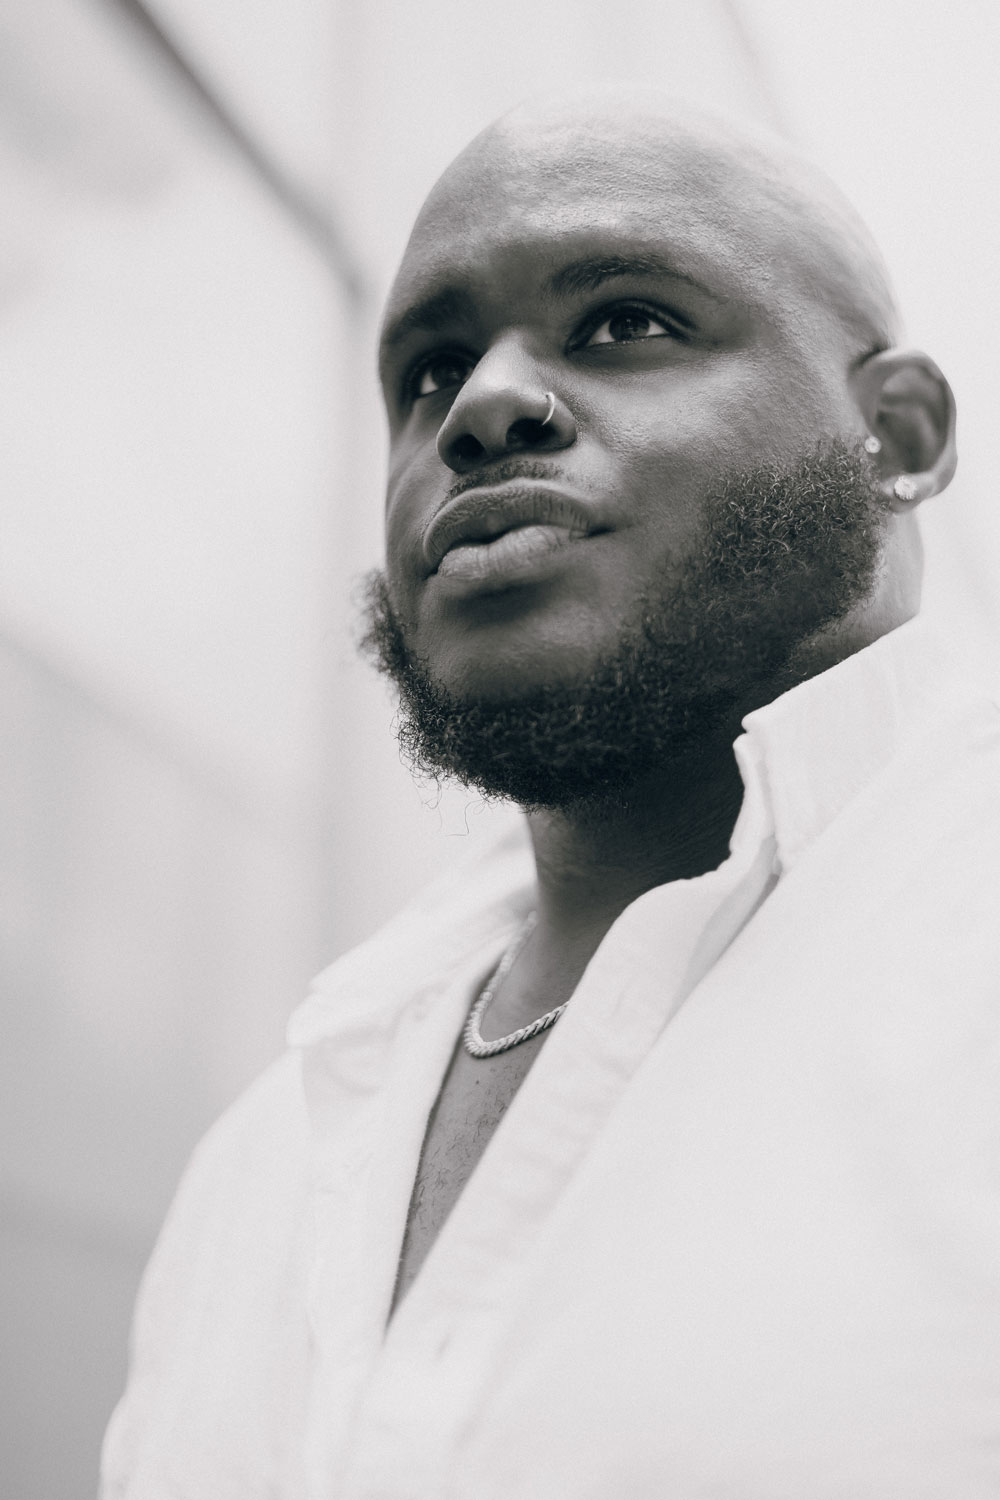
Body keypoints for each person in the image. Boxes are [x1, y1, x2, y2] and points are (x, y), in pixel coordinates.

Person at [101, 89, 1000, 1500]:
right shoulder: (271, 1158)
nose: (480, 410)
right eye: (427, 372)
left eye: (627, 322)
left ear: (897, 435)